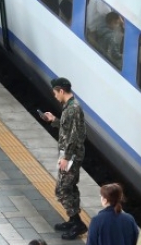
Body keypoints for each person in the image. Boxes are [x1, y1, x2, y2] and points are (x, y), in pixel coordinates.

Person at [40, 77, 87, 240]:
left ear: (61, 90)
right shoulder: (70, 107)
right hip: (70, 154)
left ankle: (78, 223)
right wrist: (54, 120)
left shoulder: (73, 109)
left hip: (71, 156)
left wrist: (66, 157)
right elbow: (68, 129)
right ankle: (73, 220)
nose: (54, 96)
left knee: (62, 190)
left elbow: (74, 136)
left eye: (55, 92)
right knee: (70, 187)